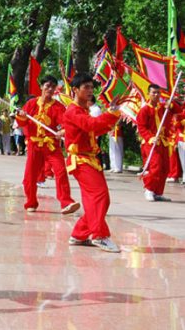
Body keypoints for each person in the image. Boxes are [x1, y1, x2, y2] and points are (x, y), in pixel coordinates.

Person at [63, 73, 121, 253]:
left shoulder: (83, 110)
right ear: (75, 90)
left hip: (90, 159)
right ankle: (99, 236)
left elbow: (95, 130)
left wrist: (112, 116)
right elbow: (91, 126)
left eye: (91, 87)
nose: (90, 90)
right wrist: (110, 115)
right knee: (99, 196)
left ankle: (79, 234)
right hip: (80, 160)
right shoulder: (73, 111)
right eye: (86, 87)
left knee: (96, 199)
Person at [16, 75, 80, 214]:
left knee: (61, 171)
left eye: (53, 86)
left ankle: (66, 202)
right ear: (42, 87)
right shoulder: (32, 104)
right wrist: (21, 115)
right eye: (47, 86)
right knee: (30, 176)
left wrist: (62, 131)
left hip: (51, 144)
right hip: (34, 145)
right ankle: (31, 202)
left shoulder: (58, 107)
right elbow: (22, 123)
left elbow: (65, 124)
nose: (50, 89)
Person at [137, 84, 173, 202]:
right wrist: (150, 137)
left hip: (162, 142)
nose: (156, 95)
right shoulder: (144, 109)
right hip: (150, 142)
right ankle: (149, 189)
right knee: (155, 166)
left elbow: (175, 113)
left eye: (158, 93)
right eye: (154, 93)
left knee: (165, 168)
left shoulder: (163, 107)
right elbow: (141, 127)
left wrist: (171, 105)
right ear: (149, 94)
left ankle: (158, 192)